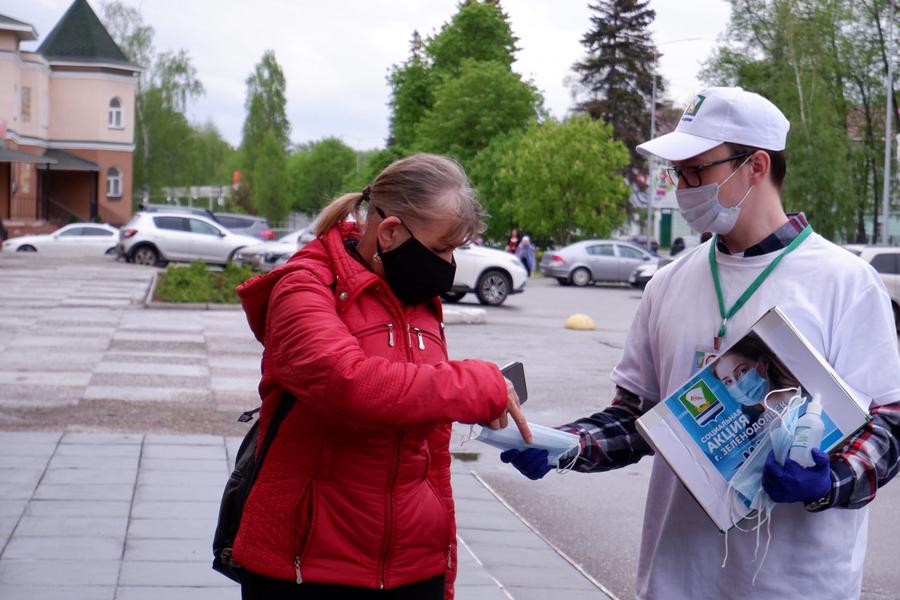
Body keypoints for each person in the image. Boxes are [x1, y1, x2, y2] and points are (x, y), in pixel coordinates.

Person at [500, 87, 900, 599]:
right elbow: (637, 416)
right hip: (676, 577)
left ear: (756, 166)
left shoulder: (844, 281)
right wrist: (564, 446)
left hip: (797, 583)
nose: (682, 188)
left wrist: (832, 480)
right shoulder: (667, 283)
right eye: (677, 173)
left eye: (696, 172)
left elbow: (888, 424)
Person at [233, 153, 531, 600]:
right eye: (439, 250)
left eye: (455, 250)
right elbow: (350, 386)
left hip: (413, 566)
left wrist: (441, 564)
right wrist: (475, 385)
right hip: (309, 565)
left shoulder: (417, 298)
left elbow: (430, 450)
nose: (448, 264)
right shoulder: (303, 287)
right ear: (390, 231)